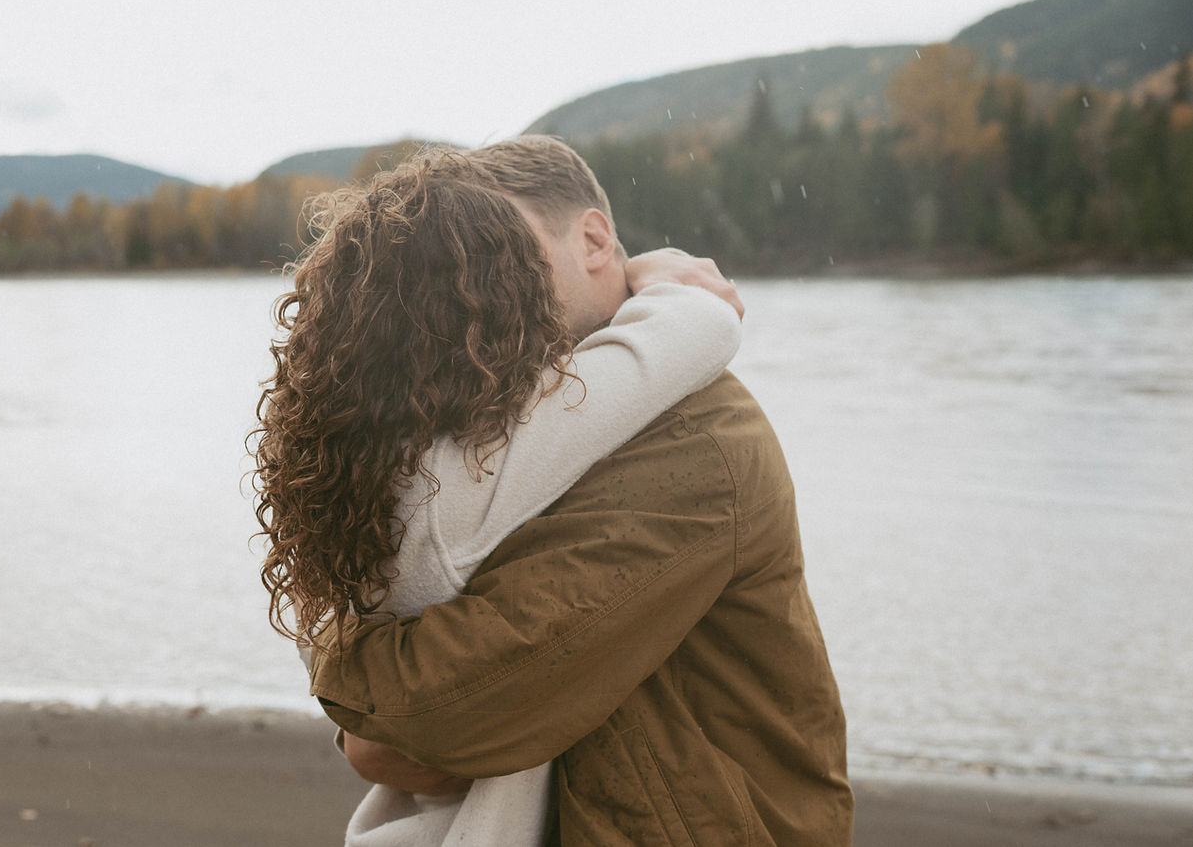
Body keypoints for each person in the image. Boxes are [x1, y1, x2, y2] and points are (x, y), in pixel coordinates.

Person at [306, 136, 854, 846]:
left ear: (594, 239)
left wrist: (336, 661)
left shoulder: (693, 432)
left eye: (505, 255)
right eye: (459, 269)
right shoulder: (508, 423)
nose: (475, 293)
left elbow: (446, 709)